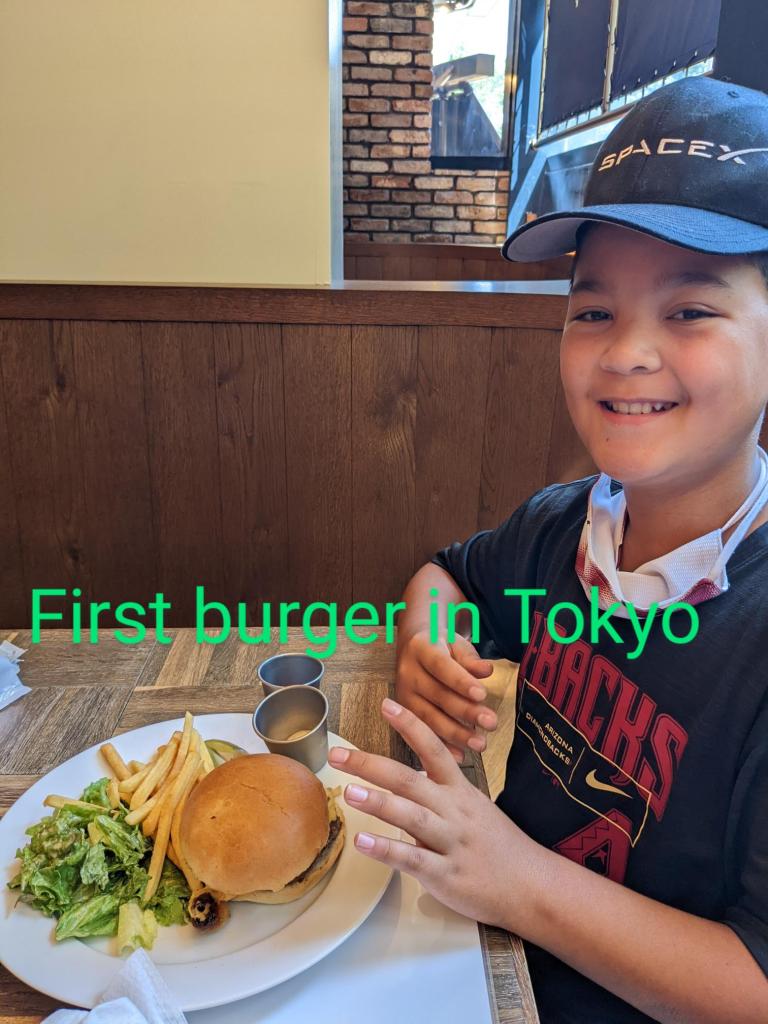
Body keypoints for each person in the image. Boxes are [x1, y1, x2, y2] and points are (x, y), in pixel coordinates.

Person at [328, 75, 768, 1023]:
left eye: (690, 310)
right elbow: (447, 572)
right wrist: (428, 639)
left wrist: (515, 878)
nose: (625, 353)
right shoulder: (562, 525)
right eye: (593, 310)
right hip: (479, 956)